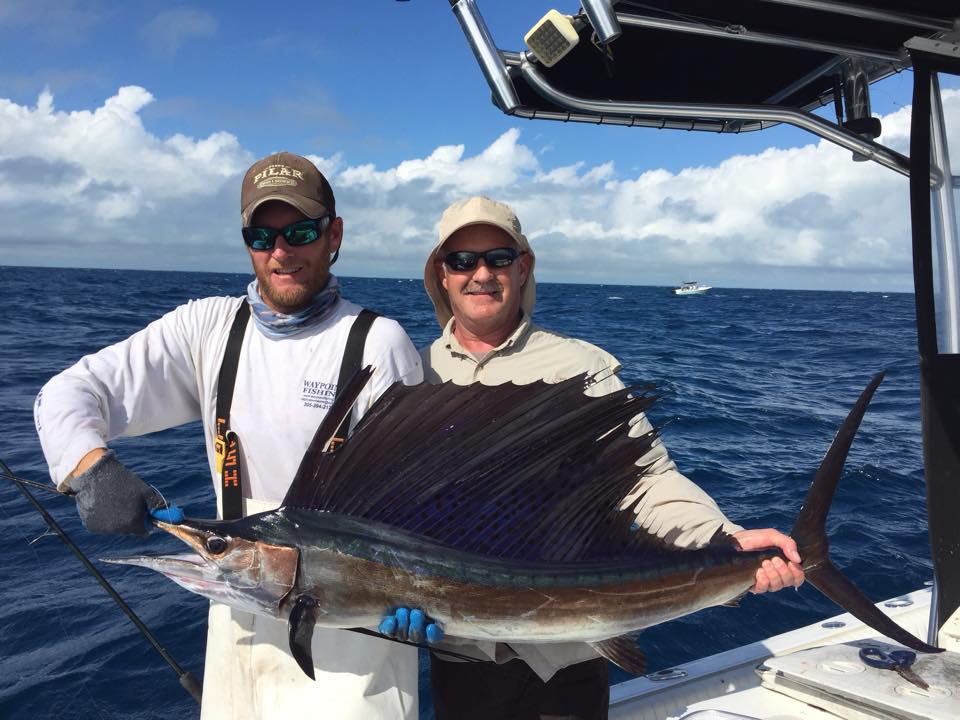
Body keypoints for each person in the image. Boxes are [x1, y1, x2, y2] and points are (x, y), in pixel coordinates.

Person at [34, 152, 424, 720]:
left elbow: (417, 506)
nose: (281, 252)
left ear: (333, 234)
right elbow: (67, 392)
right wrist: (89, 466)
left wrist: (421, 589)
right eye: (262, 236)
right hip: (238, 616)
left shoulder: (379, 342)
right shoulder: (208, 328)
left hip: (357, 629)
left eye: (300, 231)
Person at [415, 196, 805, 720]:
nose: (481, 274)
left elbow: (647, 481)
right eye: (463, 260)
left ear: (522, 266)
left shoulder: (579, 367)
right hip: (460, 650)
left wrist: (723, 537)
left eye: (498, 258)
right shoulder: (414, 375)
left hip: (574, 645)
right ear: (442, 274)